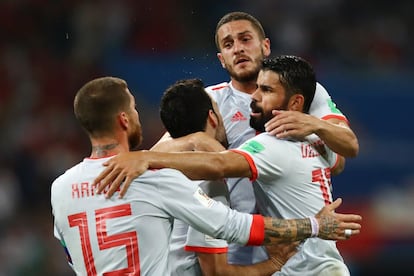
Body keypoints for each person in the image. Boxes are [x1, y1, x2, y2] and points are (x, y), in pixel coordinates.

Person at [51, 76, 362, 275]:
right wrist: (314, 225)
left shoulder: (60, 189)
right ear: (123, 119)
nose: (137, 116)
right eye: (133, 109)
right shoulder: (159, 179)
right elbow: (233, 227)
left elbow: (70, 255)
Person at [149, 11, 359, 265]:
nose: (237, 49)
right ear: (221, 59)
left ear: (265, 46)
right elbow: (160, 153)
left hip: (300, 248)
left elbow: (348, 146)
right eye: (228, 44)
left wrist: (315, 124)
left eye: (245, 39)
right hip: (236, 249)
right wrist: (197, 141)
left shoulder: (305, 93)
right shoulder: (209, 101)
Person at [159, 78, 297, 275]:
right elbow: (216, 271)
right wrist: (275, 264)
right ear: (213, 118)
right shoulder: (208, 184)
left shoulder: (169, 171)